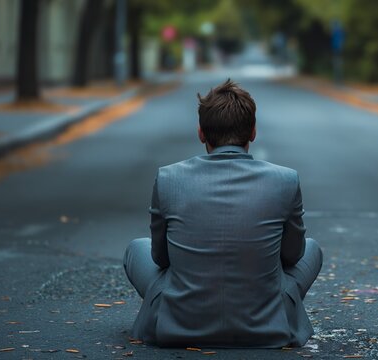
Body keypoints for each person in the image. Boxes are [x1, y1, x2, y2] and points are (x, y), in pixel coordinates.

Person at [123, 79, 322, 348]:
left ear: (201, 133)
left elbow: (160, 258)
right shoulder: (285, 179)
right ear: (252, 132)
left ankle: (173, 313)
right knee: (312, 249)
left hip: (177, 325)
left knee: (136, 248)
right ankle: (272, 312)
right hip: (268, 325)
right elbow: (292, 255)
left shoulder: (168, 178)